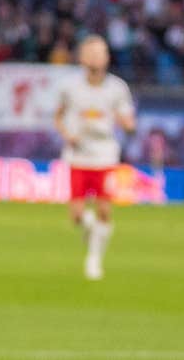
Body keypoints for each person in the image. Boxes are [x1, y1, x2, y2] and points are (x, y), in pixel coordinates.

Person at [53, 35, 135, 280]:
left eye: (101, 53)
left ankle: (94, 259)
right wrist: (67, 135)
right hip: (78, 154)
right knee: (77, 215)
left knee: (104, 210)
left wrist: (128, 125)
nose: (96, 58)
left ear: (107, 58)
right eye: (92, 53)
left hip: (105, 154)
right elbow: (58, 116)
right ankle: (91, 230)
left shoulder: (117, 88)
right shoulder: (69, 87)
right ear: (82, 57)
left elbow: (128, 120)